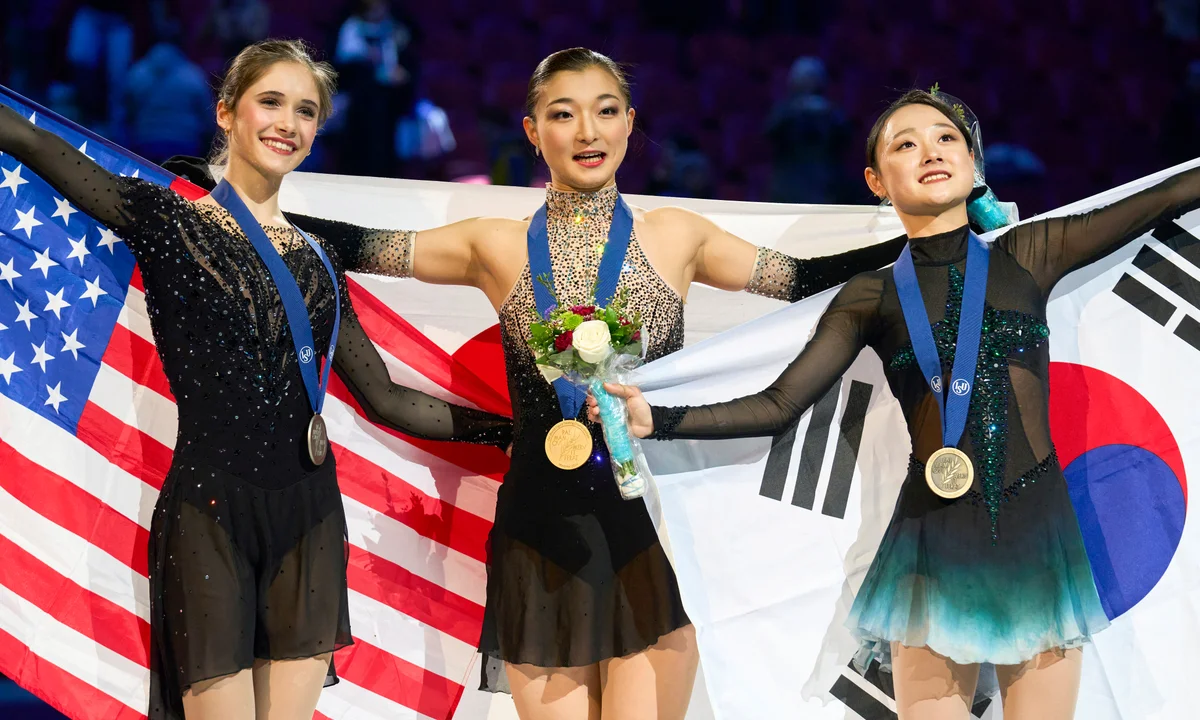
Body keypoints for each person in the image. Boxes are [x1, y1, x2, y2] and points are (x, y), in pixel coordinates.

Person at [289, 47, 911, 720]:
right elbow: (339, 245)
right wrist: (221, 200)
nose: (588, 131)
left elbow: (806, 280)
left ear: (629, 123)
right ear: (533, 131)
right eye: (563, 114)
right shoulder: (491, 243)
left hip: (653, 532)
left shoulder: (677, 236)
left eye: (605, 111)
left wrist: (934, 233)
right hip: (541, 531)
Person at [595, 89, 1200, 719]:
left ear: (974, 164)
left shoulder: (1031, 254)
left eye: (946, 139)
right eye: (904, 144)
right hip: (931, 545)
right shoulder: (871, 295)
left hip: (1039, 537)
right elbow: (779, 405)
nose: (929, 153)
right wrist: (655, 419)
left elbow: (1164, 198)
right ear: (876, 181)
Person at [0, 39, 511, 720]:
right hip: (210, 515)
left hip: (311, 519)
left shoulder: (322, 258)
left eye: (306, 111)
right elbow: (41, 151)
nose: (287, 123)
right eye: (270, 101)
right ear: (226, 113)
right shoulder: (167, 221)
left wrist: (513, 431)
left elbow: (388, 399)